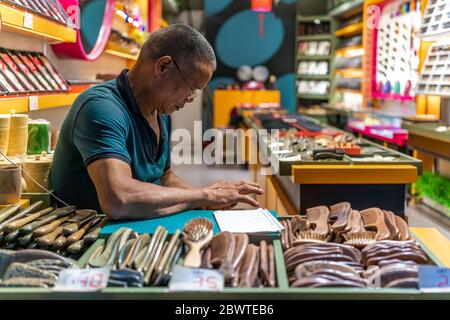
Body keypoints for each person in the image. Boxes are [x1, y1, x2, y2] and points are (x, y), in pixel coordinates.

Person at [51, 24, 263, 220]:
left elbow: (165, 177)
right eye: (192, 87)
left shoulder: (160, 113)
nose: (190, 98)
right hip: (85, 238)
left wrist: (209, 200)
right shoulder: (101, 108)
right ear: (163, 67)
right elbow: (118, 199)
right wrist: (205, 195)